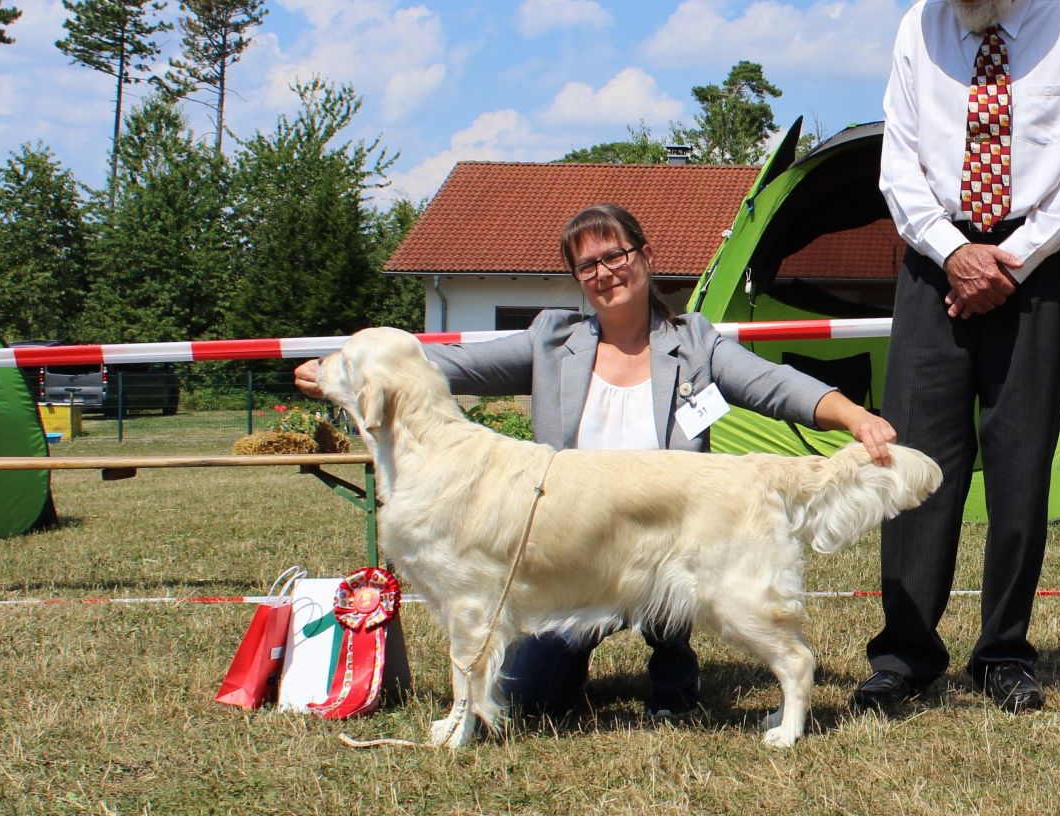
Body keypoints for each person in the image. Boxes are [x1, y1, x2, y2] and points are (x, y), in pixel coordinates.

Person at [296, 202, 896, 719]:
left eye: (617, 255)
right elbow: (443, 368)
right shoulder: (552, 339)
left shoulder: (694, 341)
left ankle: (673, 675)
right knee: (532, 697)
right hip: (574, 546)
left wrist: (854, 417)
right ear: (577, 278)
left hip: (666, 529)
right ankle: (570, 660)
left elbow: (775, 385)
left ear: (644, 255)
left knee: (676, 554)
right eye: (588, 264)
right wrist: (345, 374)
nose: (606, 272)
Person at [854, 0, 1060, 714]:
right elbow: (898, 165)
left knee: (1020, 465)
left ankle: (1004, 651)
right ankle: (904, 657)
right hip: (933, 261)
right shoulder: (916, 29)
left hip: (1038, 268)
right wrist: (954, 251)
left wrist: (1012, 259)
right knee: (914, 466)